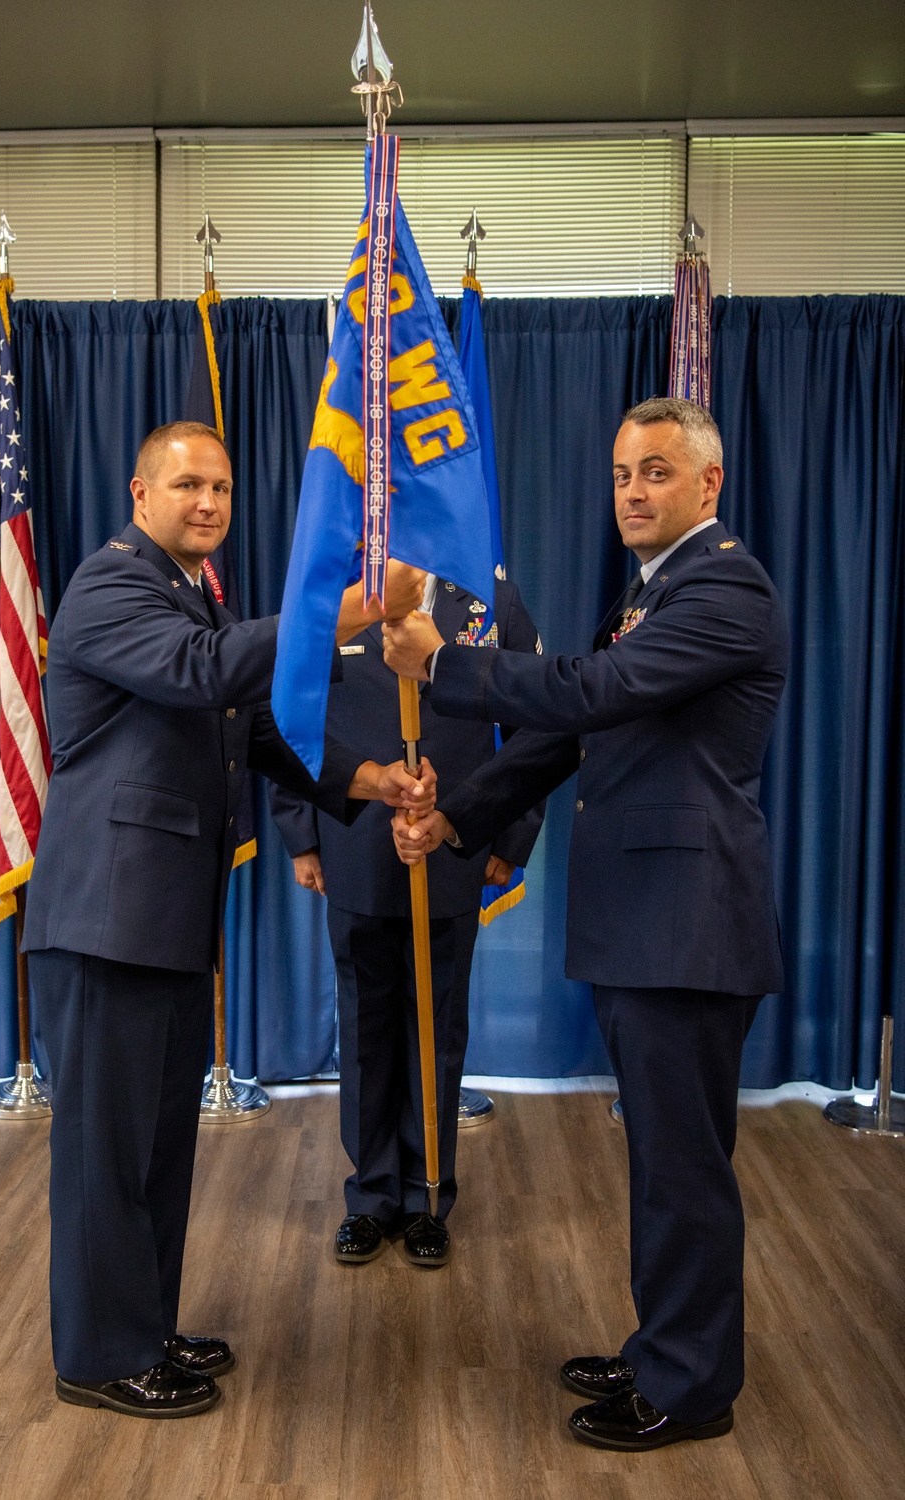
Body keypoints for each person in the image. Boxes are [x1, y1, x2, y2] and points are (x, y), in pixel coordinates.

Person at [382, 397, 788, 1452]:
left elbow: (588, 691)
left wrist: (438, 664)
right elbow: (567, 739)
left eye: (655, 472)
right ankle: (665, 1345)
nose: (631, 493)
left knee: (681, 1165)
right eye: (619, 475)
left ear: (708, 484)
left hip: (687, 924)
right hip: (646, 921)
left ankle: (691, 1386)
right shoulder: (652, 595)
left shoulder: (724, 590)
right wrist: (455, 812)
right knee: (658, 1156)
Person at [23, 421, 434, 1420]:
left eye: (221, 487)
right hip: (105, 918)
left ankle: (143, 1325)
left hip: (160, 916)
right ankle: (98, 1355)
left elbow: (253, 725)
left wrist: (364, 778)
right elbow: (203, 675)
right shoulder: (111, 583)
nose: (208, 503)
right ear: (139, 492)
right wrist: (343, 610)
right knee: (103, 1153)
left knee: (157, 1145)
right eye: (187, 485)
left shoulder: (191, 592)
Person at [269, 573, 545, 1269]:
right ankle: (370, 1196)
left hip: (456, 839)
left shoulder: (490, 600)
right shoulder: (337, 592)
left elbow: (534, 726)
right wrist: (300, 832)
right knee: (366, 1026)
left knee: (438, 1026)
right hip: (353, 837)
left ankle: (427, 1195)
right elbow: (289, 716)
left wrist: (511, 837)